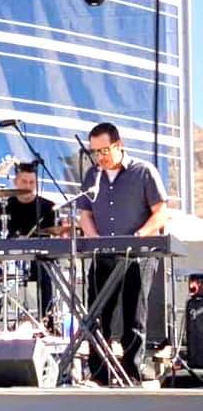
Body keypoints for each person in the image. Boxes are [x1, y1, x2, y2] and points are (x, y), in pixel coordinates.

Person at [77, 122, 168, 385]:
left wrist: (140, 236)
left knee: (133, 315)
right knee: (97, 315)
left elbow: (160, 212)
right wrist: (93, 239)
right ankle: (98, 374)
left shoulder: (144, 172)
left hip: (137, 255)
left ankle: (132, 372)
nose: (100, 157)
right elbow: (85, 214)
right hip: (103, 254)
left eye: (104, 150)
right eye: (95, 152)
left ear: (119, 145)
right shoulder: (92, 176)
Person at [0, 162, 57, 320]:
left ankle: (46, 318)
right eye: (24, 182)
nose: (28, 186)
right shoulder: (5, 206)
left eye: (32, 182)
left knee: (45, 269)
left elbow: (54, 236)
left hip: (38, 259)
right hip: (10, 259)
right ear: (15, 182)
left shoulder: (47, 207)